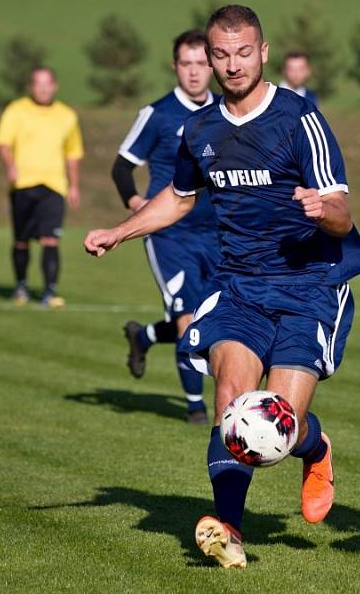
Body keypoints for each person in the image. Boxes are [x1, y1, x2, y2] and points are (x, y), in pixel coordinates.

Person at [84, 5, 360, 569]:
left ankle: (314, 448)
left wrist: (323, 210)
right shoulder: (201, 128)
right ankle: (230, 531)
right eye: (222, 54)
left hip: (307, 285)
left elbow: (341, 210)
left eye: (244, 53)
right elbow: (180, 196)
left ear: (263, 53)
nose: (232, 64)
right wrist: (121, 230)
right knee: (234, 409)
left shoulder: (299, 119)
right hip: (241, 286)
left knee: (277, 427)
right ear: (210, 56)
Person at [111, 30, 219, 425]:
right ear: (175, 67)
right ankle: (196, 409)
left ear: (211, 65)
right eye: (185, 64)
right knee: (188, 321)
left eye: (200, 63)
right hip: (170, 236)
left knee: (216, 319)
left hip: (219, 234)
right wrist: (137, 205)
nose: (193, 72)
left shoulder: (224, 112)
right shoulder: (156, 114)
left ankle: (144, 337)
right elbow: (122, 166)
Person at [0, 67, 83, 308]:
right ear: (31, 86)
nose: (43, 88)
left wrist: (74, 186)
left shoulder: (67, 115)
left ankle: (49, 292)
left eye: (48, 83)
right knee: (21, 240)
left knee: (50, 239)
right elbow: (3, 143)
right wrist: (10, 166)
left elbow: (73, 153)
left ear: (55, 86)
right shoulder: (16, 110)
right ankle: (21, 286)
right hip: (23, 184)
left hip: (54, 186)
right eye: (38, 83)